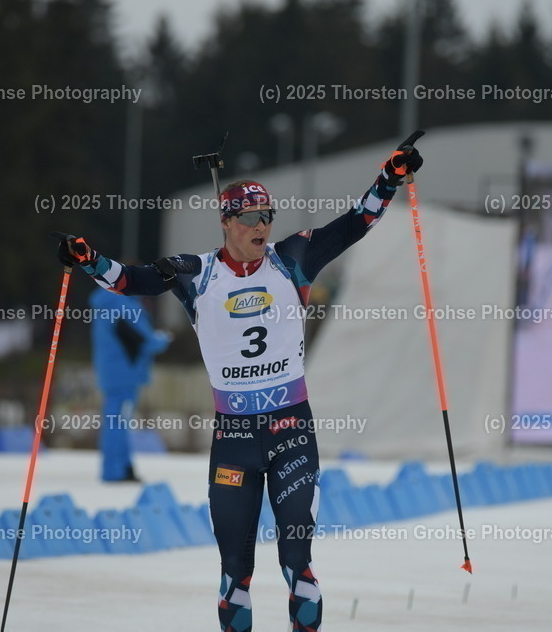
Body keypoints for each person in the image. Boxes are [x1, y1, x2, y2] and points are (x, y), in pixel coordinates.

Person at [55, 135, 423, 632]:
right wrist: (89, 260)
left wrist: (390, 178)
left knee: (296, 561)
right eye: (249, 217)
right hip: (235, 440)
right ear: (225, 221)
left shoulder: (292, 258)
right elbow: (132, 280)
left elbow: (354, 223)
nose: (262, 226)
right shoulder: (197, 273)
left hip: (292, 430)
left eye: (267, 215)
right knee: (235, 574)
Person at [90, 286, 170, 482]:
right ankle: (116, 470)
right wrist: (163, 338)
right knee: (118, 423)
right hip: (125, 375)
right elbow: (146, 341)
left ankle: (118, 468)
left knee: (114, 422)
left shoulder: (104, 304)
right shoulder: (124, 306)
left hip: (111, 373)